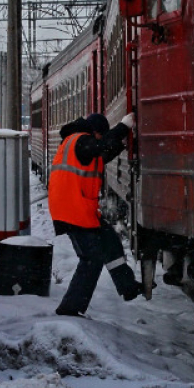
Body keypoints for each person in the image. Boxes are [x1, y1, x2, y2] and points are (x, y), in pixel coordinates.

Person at [49, 112, 141, 317]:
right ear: (95, 132)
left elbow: (103, 154)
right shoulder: (80, 140)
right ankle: (70, 308)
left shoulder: (83, 147)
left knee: (110, 242)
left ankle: (128, 287)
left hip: (80, 209)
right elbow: (99, 147)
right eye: (101, 136)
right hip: (73, 210)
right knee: (91, 259)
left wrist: (121, 143)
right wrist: (123, 127)